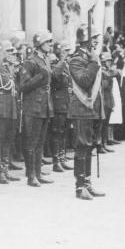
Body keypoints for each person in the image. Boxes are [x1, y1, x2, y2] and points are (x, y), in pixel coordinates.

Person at [68, 26, 105, 200]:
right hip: (81, 109)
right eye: (94, 38)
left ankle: (88, 183)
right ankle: (79, 186)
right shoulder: (77, 59)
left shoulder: (90, 57)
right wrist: (93, 63)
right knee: (82, 146)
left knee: (89, 145)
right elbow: (84, 81)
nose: (97, 41)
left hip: (91, 109)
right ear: (85, 40)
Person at [20, 31, 54, 187]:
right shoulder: (30, 62)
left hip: (44, 106)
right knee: (31, 142)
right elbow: (24, 86)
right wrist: (40, 77)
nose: (51, 44)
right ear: (40, 44)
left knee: (40, 141)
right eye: (48, 42)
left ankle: (38, 173)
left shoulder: (45, 59)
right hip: (33, 107)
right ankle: (31, 175)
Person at [0, 40, 21, 184]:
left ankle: (6, 170)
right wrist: (0, 58)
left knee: (8, 139)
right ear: (2, 52)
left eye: (12, 52)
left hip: (10, 108)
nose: (12, 54)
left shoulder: (9, 68)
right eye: (9, 52)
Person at [50, 41, 74, 172]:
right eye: (65, 51)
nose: (68, 54)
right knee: (57, 132)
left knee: (64, 132)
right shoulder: (56, 64)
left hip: (66, 102)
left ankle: (62, 157)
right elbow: (54, 76)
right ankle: (56, 161)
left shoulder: (65, 65)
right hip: (58, 103)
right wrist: (62, 60)